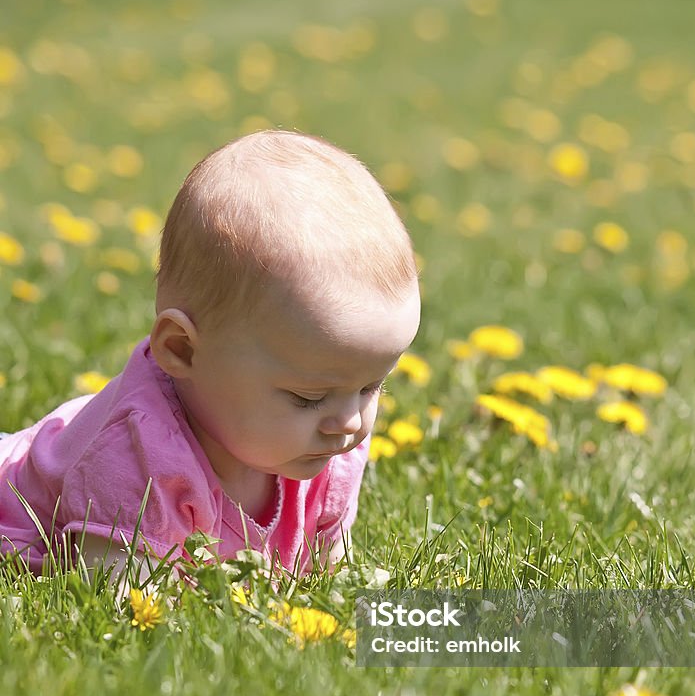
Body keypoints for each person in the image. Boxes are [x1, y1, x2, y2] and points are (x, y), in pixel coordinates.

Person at [0, 130, 421, 580]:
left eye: (371, 386)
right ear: (181, 350)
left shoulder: (327, 439)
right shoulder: (137, 459)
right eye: (307, 397)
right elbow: (117, 602)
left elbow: (322, 580)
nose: (351, 422)